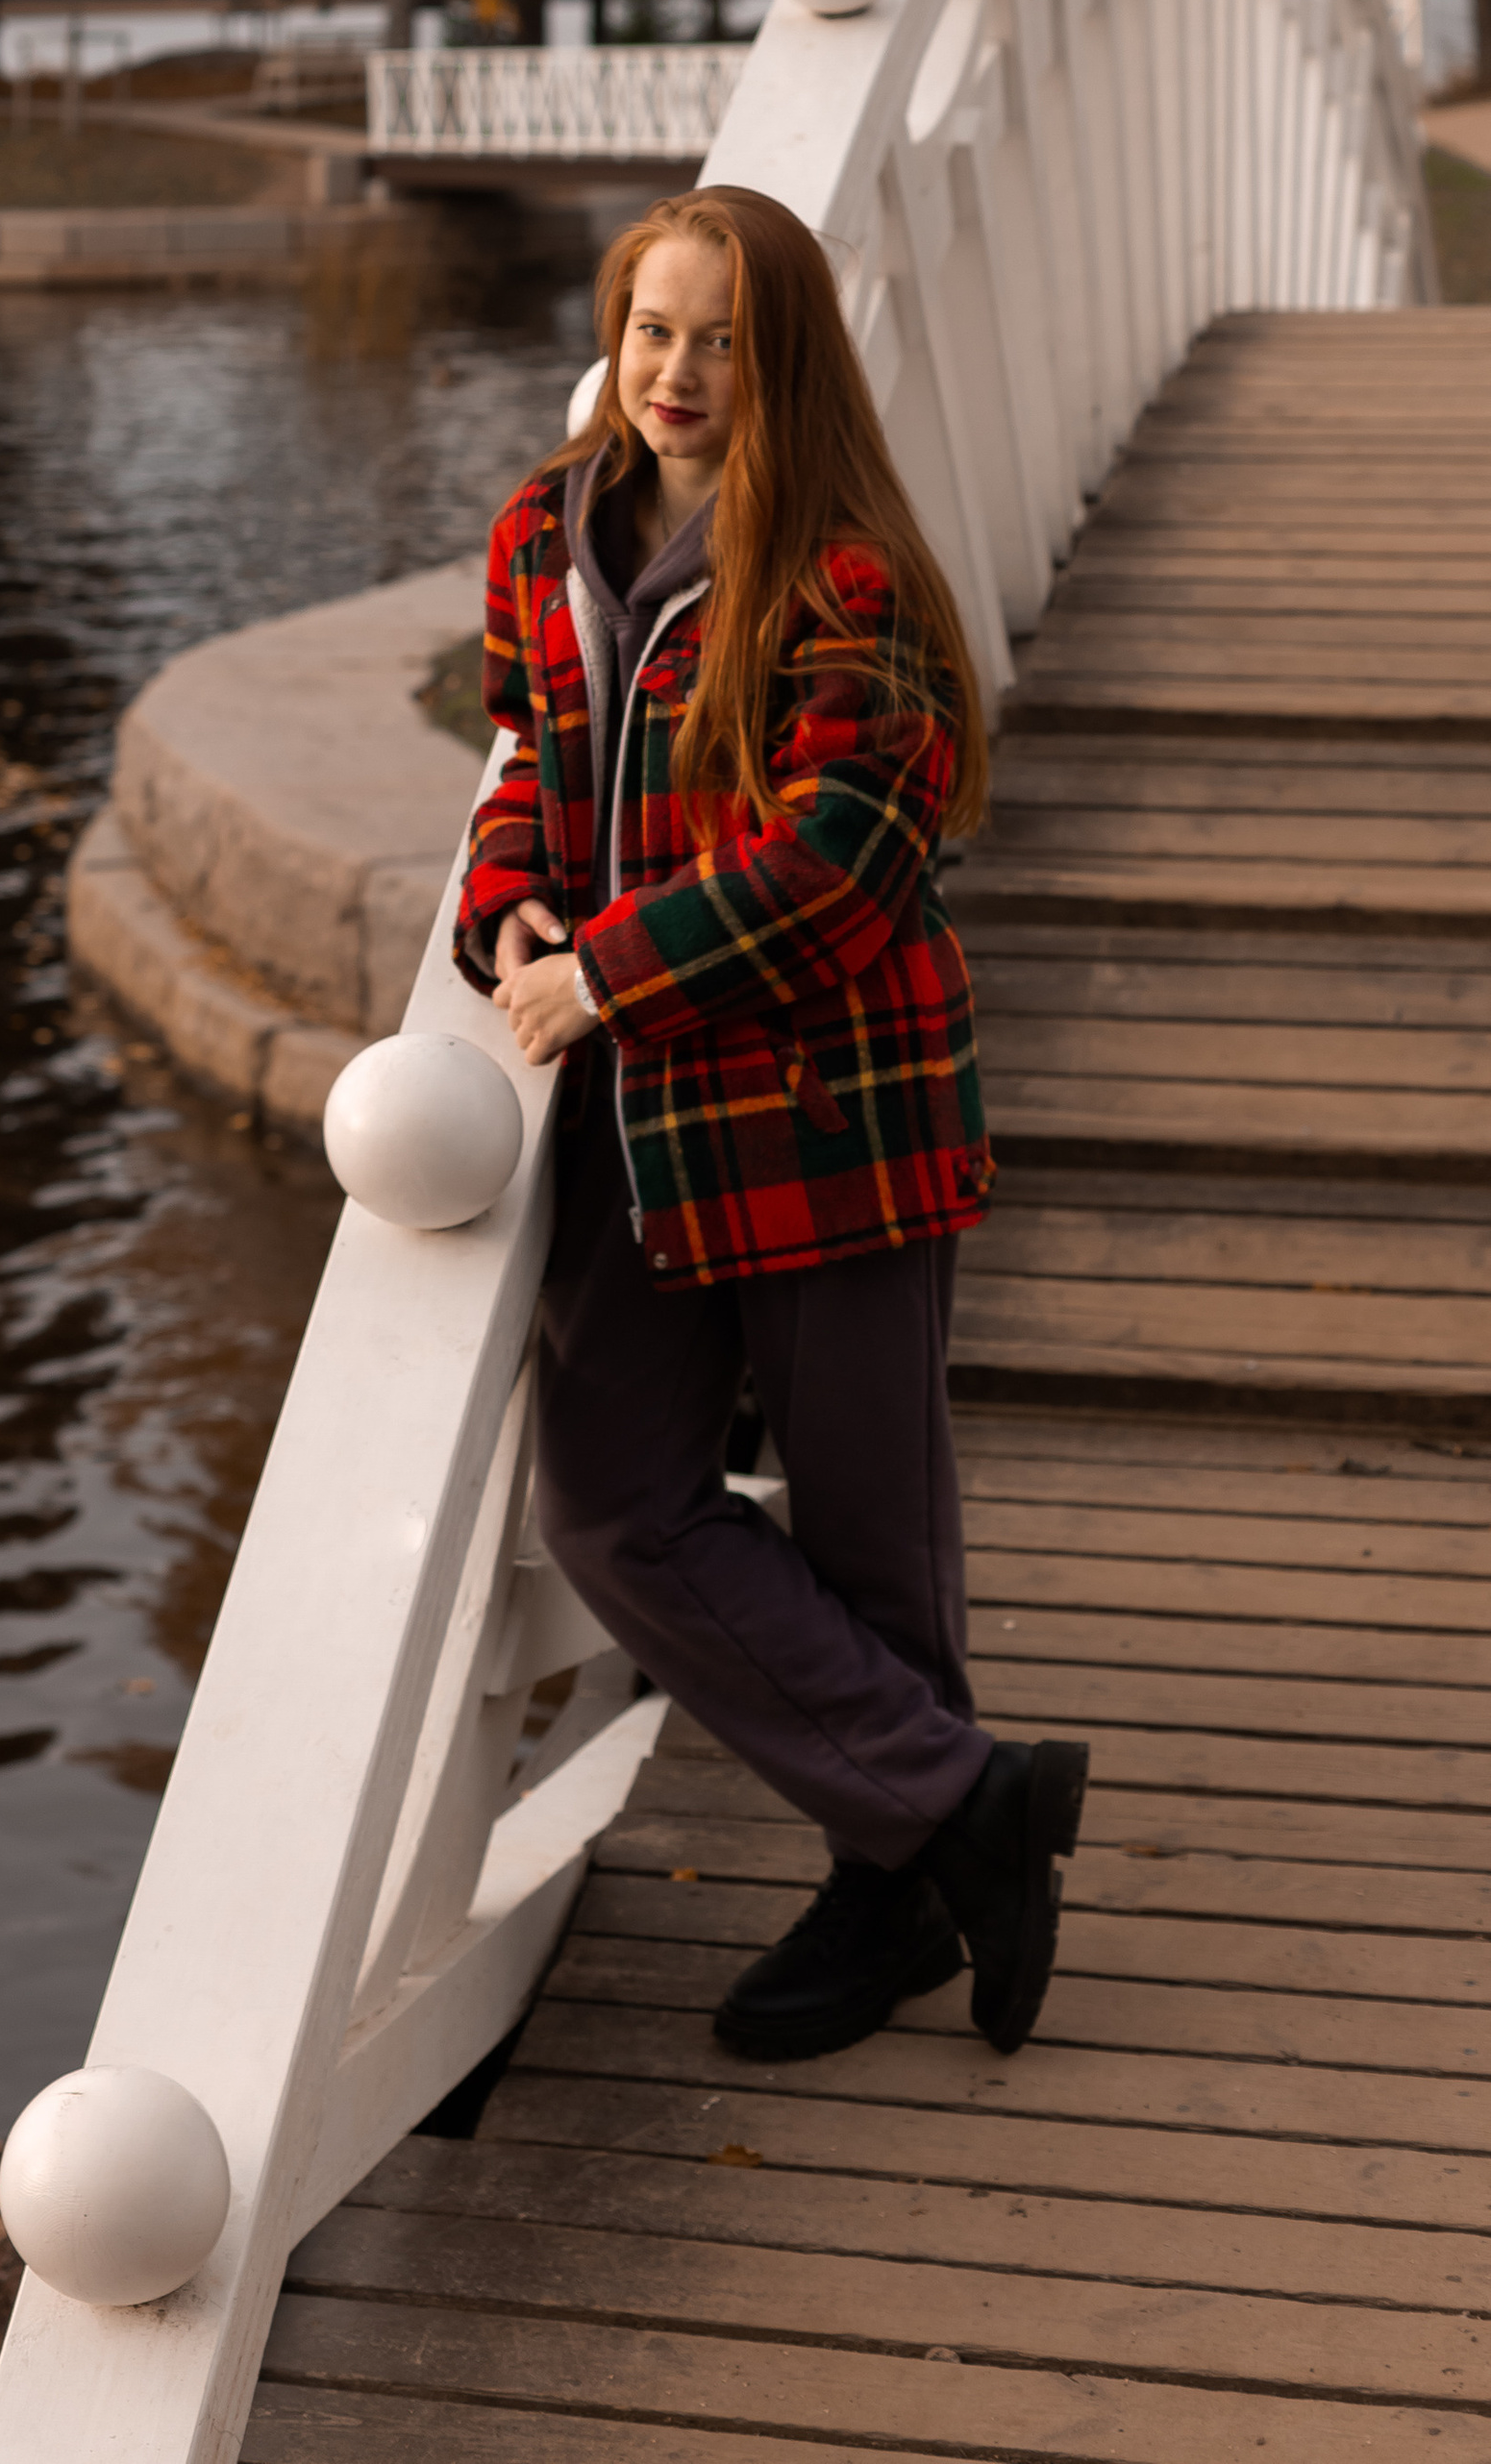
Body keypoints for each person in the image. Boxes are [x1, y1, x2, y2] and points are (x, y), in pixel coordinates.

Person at [455, 183, 1088, 2063]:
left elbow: (848, 869)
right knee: (614, 1505)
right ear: (610, 335)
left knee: (873, 1539)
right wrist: (506, 906)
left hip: (833, 1116)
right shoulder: (532, 534)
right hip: (637, 1133)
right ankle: (966, 1812)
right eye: (651, 329)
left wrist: (608, 973)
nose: (677, 370)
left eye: (722, 338)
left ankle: (887, 1882)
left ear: (782, 355)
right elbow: (513, 769)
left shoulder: (841, 576)